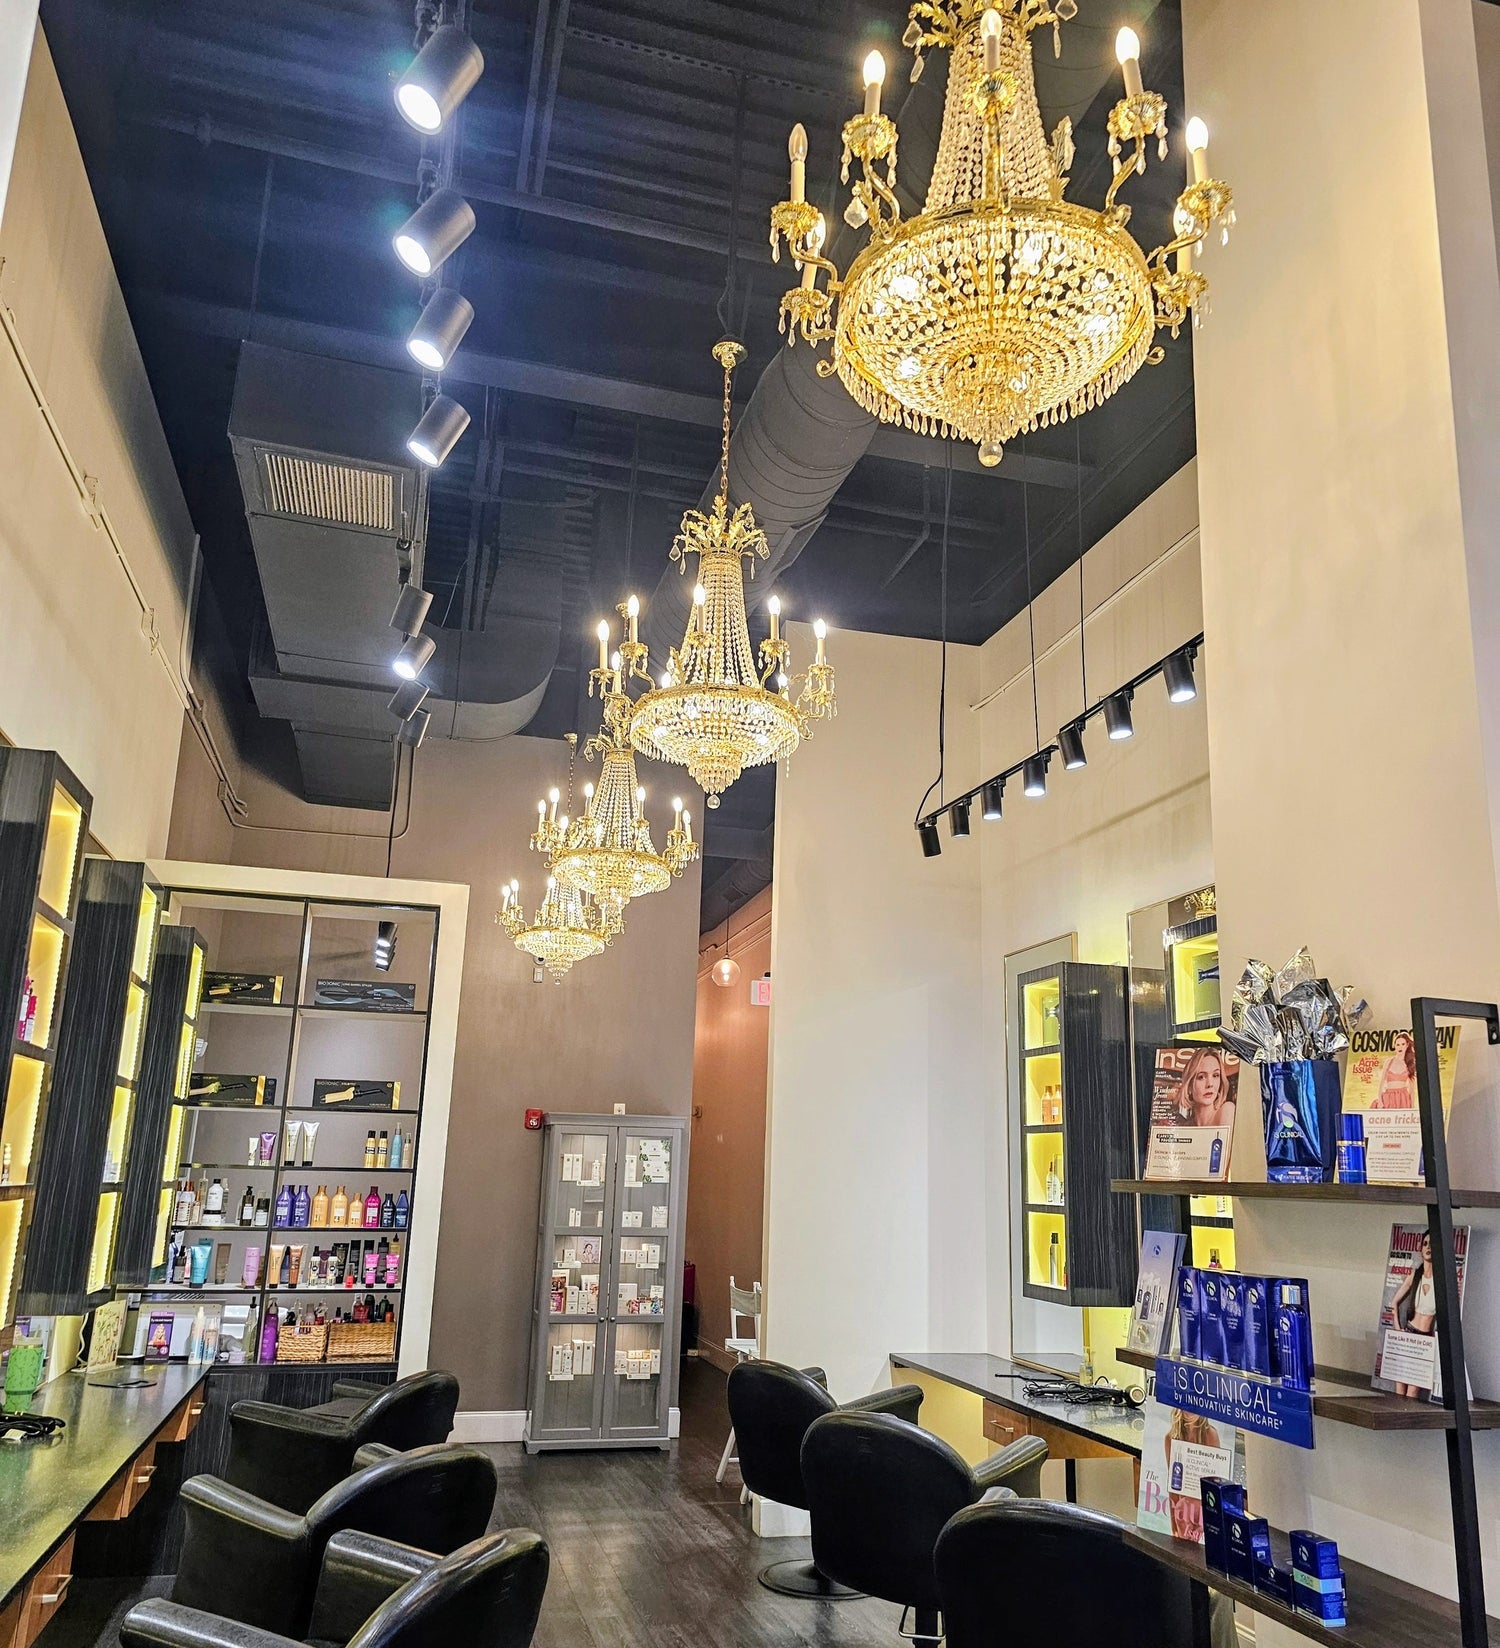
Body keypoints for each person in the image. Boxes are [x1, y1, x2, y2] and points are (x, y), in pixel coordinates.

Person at [1389, 1230, 1438, 1399]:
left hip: (1425, 1341)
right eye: (1425, 1244)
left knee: (1412, 1394)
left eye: (1432, 1244)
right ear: (1420, 1249)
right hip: (1409, 1336)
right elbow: (1394, 1302)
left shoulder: (1441, 1281)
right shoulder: (1415, 1275)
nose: (1428, 1247)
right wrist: (1398, 1329)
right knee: (1399, 1393)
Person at [1173, 1046, 1236, 1129]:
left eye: (1215, 1075)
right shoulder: (1185, 1126)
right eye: (1201, 1077)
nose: (1210, 1084)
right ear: (1189, 1086)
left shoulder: (1227, 1110)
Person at [1374, 1030, 1417, 1109]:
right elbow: (1381, 1083)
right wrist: (1380, 1101)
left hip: (1403, 1098)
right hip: (1388, 1097)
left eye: (1402, 1044)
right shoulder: (1389, 1062)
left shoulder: (1410, 1063)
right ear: (1395, 1046)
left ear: (1407, 1045)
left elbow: (1412, 1088)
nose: (1400, 1047)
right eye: (1397, 1044)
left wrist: (1412, 1106)